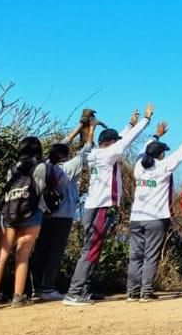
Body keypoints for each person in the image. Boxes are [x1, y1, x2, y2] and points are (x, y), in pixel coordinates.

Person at [64, 104, 153, 307]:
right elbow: (126, 140)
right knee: (91, 249)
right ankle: (75, 291)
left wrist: (129, 123)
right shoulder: (107, 154)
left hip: (91, 206)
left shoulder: (95, 153)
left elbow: (120, 138)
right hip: (101, 207)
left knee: (91, 248)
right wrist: (145, 121)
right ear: (110, 143)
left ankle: (82, 289)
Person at [126, 120, 182, 302]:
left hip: (136, 218)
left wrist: (156, 135)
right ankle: (146, 292)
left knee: (135, 256)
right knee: (150, 256)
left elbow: (143, 149)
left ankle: (131, 292)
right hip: (156, 218)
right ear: (160, 154)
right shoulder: (163, 167)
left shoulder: (138, 167)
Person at [30, 112, 95, 301]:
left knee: (41, 251)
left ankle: (35, 288)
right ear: (64, 156)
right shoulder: (68, 169)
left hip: (44, 214)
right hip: (63, 215)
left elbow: (60, 145)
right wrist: (91, 129)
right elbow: (86, 151)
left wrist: (77, 128)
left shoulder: (46, 165)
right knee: (55, 253)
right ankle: (48, 288)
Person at [0, 136, 56, 308]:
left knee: (2, 253)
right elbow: (40, 189)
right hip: (32, 212)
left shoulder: (13, 167)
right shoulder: (41, 167)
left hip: (10, 213)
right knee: (23, 253)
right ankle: (18, 296)